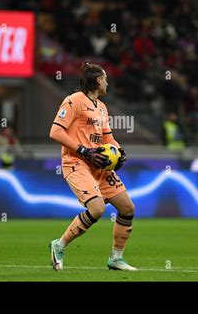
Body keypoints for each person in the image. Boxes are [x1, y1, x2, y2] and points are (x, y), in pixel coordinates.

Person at [48, 61, 136, 271]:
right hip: (76, 162)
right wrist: (84, 150)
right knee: (97, 209)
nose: (107, 83)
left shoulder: (102, 108)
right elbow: (55, 132)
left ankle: (115, 259)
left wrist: (119, 152)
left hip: (99, 164)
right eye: (105, 79)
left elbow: (108, 138)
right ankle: (59, 246)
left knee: (127, 208)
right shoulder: (73, 101)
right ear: (98, 81)